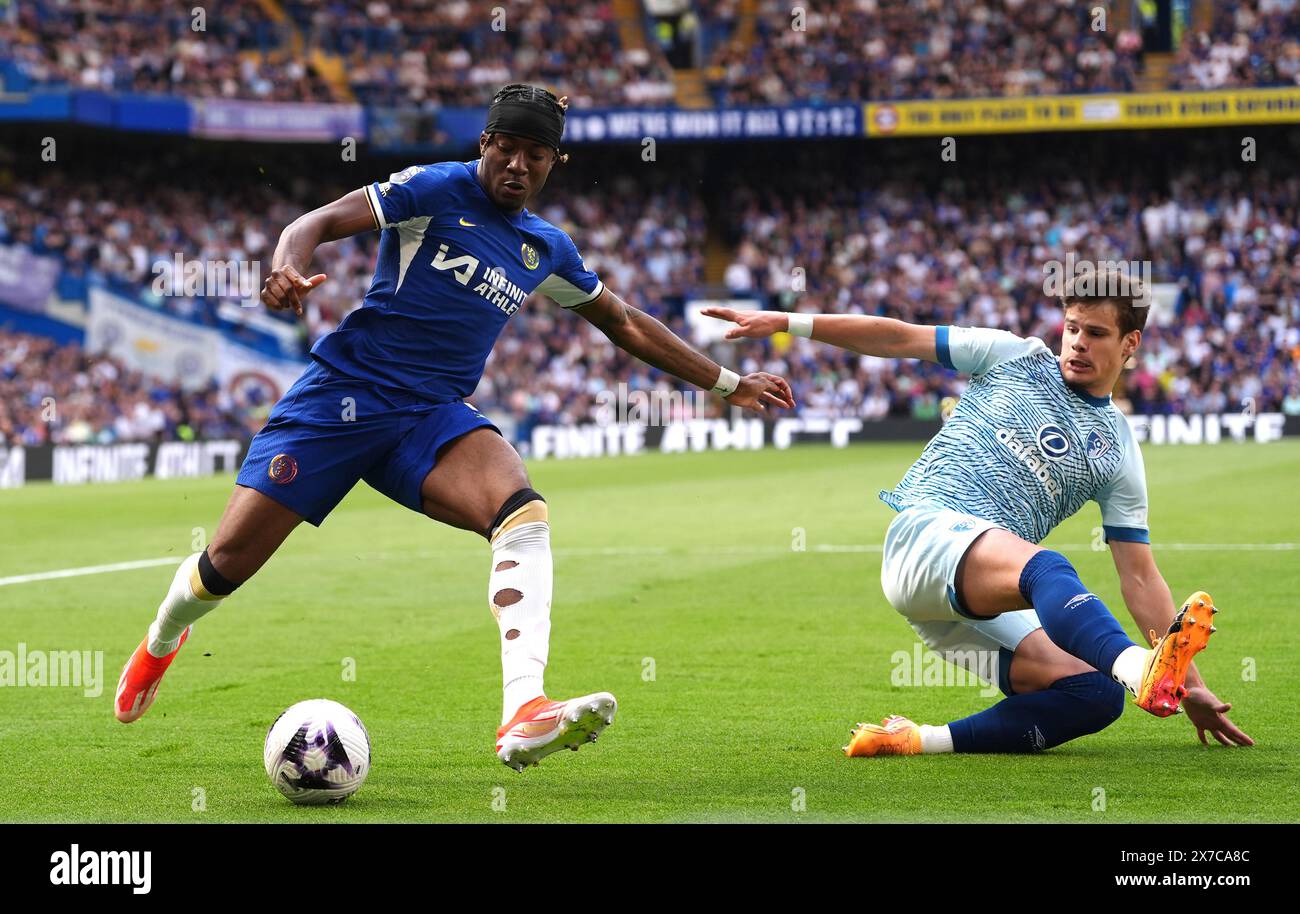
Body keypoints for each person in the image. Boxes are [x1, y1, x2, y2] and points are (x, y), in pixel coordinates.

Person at [115, 84, 794, 773]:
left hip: (431, 415)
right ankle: (162, 641)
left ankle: (523, 711)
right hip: (343, 396)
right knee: (227, 562)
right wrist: (286, 264)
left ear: (554, 163)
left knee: (521, 511)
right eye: (508, 149)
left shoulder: (546, 248)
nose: (519, 166)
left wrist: (730, 383)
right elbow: (316, 222)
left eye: (536, 155)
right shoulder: (434, 190)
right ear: (485, 146)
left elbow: (623, 323)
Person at [704, 270, 1253, 756]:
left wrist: (1192, 688)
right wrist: (786, 321)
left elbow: (1139, 576)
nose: (1078, 343)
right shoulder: (1015, 355)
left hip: (962, 608)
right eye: (1073, 327)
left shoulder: (1117, 450)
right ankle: (1139, 669)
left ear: (1130, 342)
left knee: (1095, 693)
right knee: (1050, 570)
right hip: (927, 534)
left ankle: (918, 739)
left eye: (1097, 333)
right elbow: (898, 337)